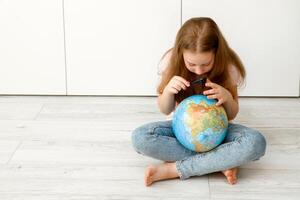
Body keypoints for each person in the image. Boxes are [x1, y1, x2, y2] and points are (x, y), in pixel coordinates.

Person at [131, 17, 266, 187]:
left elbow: (232, 113)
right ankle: (219, 162)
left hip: (218, 132)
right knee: (140, 137)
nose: (199, 70)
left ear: (217, 53)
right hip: (181, 129)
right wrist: (167, 92)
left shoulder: (228, 66)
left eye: (206, 64)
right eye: (191, 64)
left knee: (256, 142)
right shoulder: (170, 61)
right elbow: (165, 110)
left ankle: (173, 169)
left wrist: (227, 97)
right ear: (181, 53)